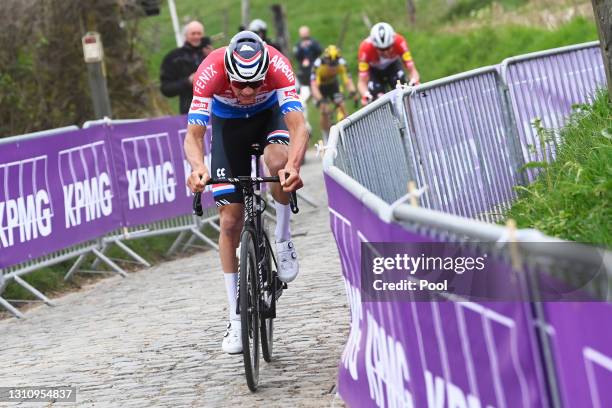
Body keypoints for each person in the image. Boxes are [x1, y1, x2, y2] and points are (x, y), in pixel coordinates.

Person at [183, 31, 308, 354]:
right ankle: (236, 318)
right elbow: (194, 135)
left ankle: (282, 238)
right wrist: (197, 167)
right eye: (241, 85)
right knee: (229, 222)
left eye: (256, 84)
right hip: (229, 128)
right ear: (229, 75)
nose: (249, 92)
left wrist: (293, 166)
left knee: (279, 162)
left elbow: (298, 127)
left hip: (270, 119)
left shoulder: (279, 64)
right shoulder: (210, 69)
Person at [357, 22, 420, 106]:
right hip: (374, 71)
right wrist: (365, 95)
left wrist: (414, 81)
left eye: (388, 47)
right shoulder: (365, 49)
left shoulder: (399, 42)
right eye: (382, 49)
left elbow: (412, 70)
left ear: (392, 42)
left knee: (401, 84)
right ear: (374, 46)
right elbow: (362, 81)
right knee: (376, 95)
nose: (386, 52)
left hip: (393, 66)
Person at [160, 21, 214, 114]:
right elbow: (166, 88)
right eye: (193, 33)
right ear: (185, 36)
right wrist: (188, 81)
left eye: (199, 33)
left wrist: (212, 57)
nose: (196, 36)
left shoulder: (211, 54)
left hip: (215, 108)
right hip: (190, 110)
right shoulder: (174, 57)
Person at [310, 45, 357, 137]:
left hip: (333, 85)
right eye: (330, 65)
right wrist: (320, 99)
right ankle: (326, 135)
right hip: (320, 87)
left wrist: (353, 91)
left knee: (342, 104)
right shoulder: (318, 65)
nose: (333, 68)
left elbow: (348, 80)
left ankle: (350, 132)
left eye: (335, 65)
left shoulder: (342, 63)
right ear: (325, 62)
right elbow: (314, 86)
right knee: (324, 110)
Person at [293, 26, 322, 130]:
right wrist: (301, 47)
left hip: (316, 77)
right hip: (304, 79)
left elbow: (320, 51)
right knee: (302, 102)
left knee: (320, 102)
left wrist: (311, 45)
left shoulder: (314, 42)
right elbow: (296, 55)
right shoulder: (298, 45)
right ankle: (306, 126)